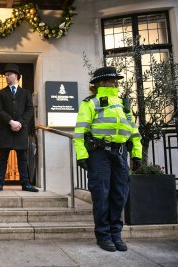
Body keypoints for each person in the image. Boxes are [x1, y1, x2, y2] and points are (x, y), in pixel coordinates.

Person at [73, 66, 142, 252]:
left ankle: (116, 234)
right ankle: (103, 235)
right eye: (112, 80)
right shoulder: (91, 103)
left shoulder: (122, 103)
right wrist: (82, 155)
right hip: (100, 153)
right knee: (101, 195)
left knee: (119, 195)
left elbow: (133, 131)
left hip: (120, 153)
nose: (115, 83)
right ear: (101, 83)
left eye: (116, 80)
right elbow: (80, 132)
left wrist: (136, 153)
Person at [0, 63, 38, 193]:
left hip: (21, 131)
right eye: (5, 75)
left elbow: (29, 110)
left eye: (9, 74)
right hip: (6, 130)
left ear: (16, 76)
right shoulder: (1, 93)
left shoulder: (26, 93)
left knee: (22, 159)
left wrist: (20, 123)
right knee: (3, 159)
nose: (6, 76)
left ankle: (26, 184)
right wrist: (11, 121)